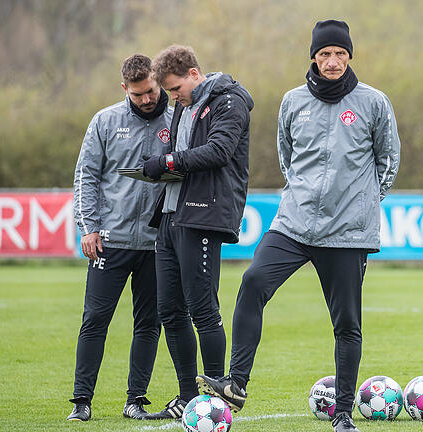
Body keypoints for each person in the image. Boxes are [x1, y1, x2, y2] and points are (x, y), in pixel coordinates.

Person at [196, 19, 401, 432]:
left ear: (349, 56)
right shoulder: (292, 101)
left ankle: (343, 413)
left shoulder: (374, 103)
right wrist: (305, 196)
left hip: (347, 233)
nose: (332, 61)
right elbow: (286, 157)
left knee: (346, 324)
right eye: (325, 54)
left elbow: (389, 160)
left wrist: (361, 204)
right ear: (313, 57)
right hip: (293, 223)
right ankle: (236, 383)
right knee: (253, 282)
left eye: (340, 54)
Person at [140, 45, 254, 419]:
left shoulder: (229, 100)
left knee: (203, 310)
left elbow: (219, 151)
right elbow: (184, 154)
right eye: (169, 92)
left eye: (175, 89)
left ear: (193, 73)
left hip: (204, 214)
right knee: (169, 311)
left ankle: (218, 397)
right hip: (171, 214)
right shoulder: (182, 104)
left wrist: (167, 161)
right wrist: (160, 168)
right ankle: (189, 397)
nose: (173, 97)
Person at [69, 54, 173, 421]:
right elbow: (86, 176)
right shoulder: (105, 121)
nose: (146, 99)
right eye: (137, 94)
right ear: (124, 88)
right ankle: (82, 402)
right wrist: (89, 227)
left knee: (149, 323)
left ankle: (135, 401)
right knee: (95, 319)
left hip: (158, 244)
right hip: (109, 242)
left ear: (158, 82)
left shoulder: (178, 119)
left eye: (150, 91)